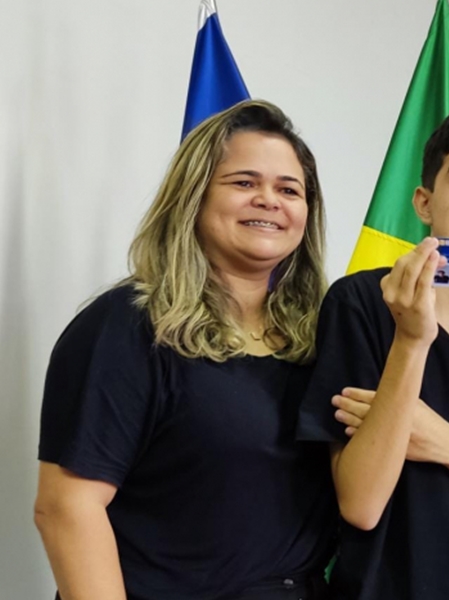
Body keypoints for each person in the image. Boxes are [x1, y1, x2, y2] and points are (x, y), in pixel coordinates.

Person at [34, 100, 336, 600]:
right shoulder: (128, 327)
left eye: (289, 189)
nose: (269, 200)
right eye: (244, 182)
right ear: (193, 195)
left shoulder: (324, 339)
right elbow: (67, 509)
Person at [296, 105, 449, 600]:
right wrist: (411, 340)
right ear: (424, 201)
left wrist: (440, 439)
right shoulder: (361, 303)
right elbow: (361, 504)